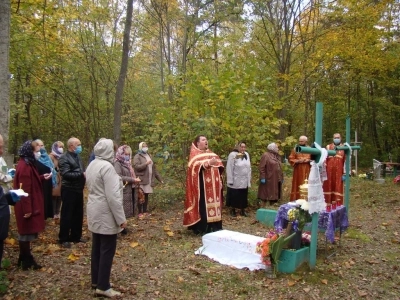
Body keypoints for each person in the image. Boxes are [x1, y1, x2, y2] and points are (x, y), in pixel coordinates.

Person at [86, 138, 126, 298]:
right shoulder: (107, 168)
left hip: (94, 208)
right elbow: (113, 197)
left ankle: (96, 280)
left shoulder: (92, 164)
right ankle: (103, 286)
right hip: (105, 212)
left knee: (97, 247)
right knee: (107, 249)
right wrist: (121, 218)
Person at [13, 140, 52, 270]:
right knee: (25, 233)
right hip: (26, 204)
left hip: (29, 202)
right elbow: (24, 190)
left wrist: (41, 177)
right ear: (30, 151)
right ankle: (26, 258)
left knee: (27, 232)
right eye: (36, 151)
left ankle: (24, 256)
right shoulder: (24, 166)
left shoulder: (28, 164)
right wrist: (28, 209)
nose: (38, 153)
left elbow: (31, 181)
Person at [183, 135, 224, 234]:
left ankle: (216, 226)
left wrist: (217, 165)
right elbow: (194, 168)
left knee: (215, 205)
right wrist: (207, 163)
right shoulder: (195, 156)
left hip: (214, 187)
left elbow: (220, 166)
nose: (206, 141)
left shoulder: (212, 154)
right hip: (202, 188)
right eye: (203, 139)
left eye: (206, 139)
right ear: (197, 143)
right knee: (204, 206)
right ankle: (204, 227)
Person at [58, 137, 86, 248]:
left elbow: (81, 170)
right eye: (78, 144)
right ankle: (64, 237)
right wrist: (80, 174)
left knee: (78, 213)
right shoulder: (64, 158)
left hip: (78, 188)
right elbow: (65, 174)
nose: (80, 146)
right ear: (71, 146)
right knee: (67, 214)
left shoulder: (78, 157)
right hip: (69, 189)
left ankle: (76, 236)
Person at [133, 142, 163, 219]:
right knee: (141, 195)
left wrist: (160, 179)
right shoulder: (137, 156)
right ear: (140, 147)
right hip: (141, 179)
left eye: (146, 146)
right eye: (143, 146)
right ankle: (140, 212)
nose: (145, 147)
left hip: (149, 179)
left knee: (146, 195)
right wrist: (145, 164)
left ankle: (145, 211)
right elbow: (136, 167)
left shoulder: (149, 155)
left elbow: (154, 169)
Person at [114, 145, 140, 229]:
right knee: (123, 209)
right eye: (125, 154)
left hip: (131, 188)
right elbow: (118, 176)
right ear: (121, 153)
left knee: (130, 207)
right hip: (124, 188)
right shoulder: (117, 163)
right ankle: (121, 227)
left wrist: (135, 180)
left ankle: (126, 226)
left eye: (129, 154)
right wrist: (132, 179)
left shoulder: (128, 163)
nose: (127, 156)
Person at [226, 142, 251, 217]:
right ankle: (233, 210)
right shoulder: (233, 155)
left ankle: (242, 210)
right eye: (241, 147)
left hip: (244, 179)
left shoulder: (246, 154)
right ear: (238, 147)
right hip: (236, 179)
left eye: (244, 147)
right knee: (235, 195)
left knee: (243, 195)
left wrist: (249, 178)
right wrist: (230, 179)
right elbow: (229, 167)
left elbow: (249, 167)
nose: (243, 149)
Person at [34, 139, 57, 219]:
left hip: (48, 182)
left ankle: (46, 216)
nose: (40, 147)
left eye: (42, 145)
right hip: (40, 183)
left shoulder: (47, 157)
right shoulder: (36, 157)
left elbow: (52, 168)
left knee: (47, 200)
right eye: (38, 145)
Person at [323, 133, 346, 204]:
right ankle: (327, 204)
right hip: (329, 172)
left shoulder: (344, 147)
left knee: (338, 187)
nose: (336, 139)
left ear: (340, 138)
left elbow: (345, 161)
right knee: (328, 187)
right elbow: (324, 159)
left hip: (339, 172)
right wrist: (323, 171)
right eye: (335, 137)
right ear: (333, 138)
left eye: (338, 137)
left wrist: (345, 173)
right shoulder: (328, 147)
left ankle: (337, 205)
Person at [288, 136, 311, 201]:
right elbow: (291, 158)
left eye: (302, 141)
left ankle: (307, 200)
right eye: (299, 141)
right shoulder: (295, 149)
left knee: (307, 183)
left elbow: (313, 159)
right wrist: (297, 161)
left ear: (306, 141)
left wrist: (308, 160)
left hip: (307, 169)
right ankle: (296, 199)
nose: (300, 142)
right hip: (298, 170)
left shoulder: (310, 149)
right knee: (297, 184)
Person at [48, 141, 64, 222]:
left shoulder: (61, 157)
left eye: (62, 147)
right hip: (54, 178)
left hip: (60, 178)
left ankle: (57, 212)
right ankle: (53, 212)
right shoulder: (51, 157)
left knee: (59, 196)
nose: (61, 149)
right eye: (59, 147)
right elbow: (50, 167)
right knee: (54, 195)